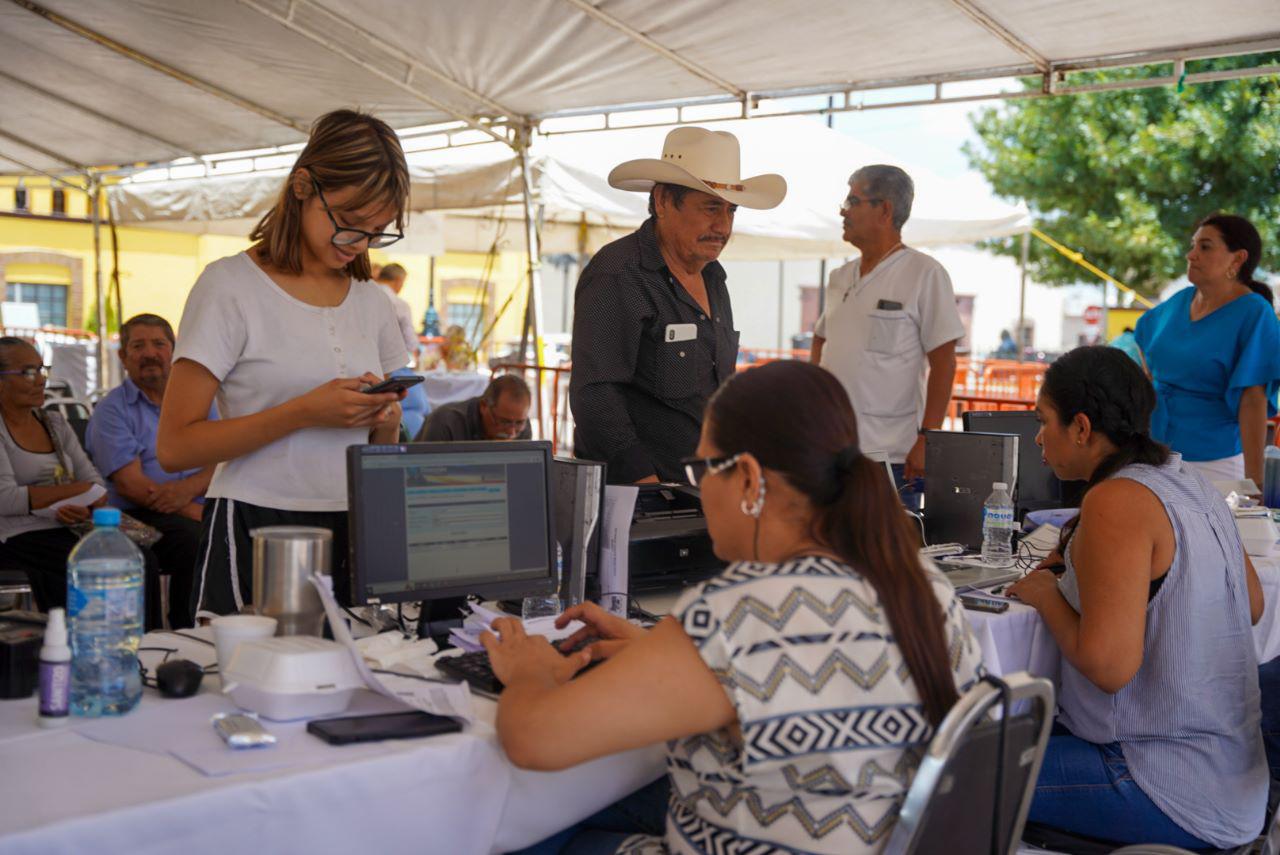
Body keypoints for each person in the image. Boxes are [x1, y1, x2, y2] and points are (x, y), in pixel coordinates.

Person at [484, 360, 983, 854]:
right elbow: (798, 670)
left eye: (702, 468)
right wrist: (657, 648)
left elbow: (532, 741)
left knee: (531, 828)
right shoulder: (924, 585)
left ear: (747, 477)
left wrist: (529, 671)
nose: (697, 488)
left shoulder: (743, 612)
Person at [1007, 345, 1266, 849]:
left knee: (950, 774)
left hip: (1162, 779)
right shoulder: (1188, 480)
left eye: (1043, 421)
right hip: (1233, 778)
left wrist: (1045, 594)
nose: (1038, 437)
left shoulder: (1116, 499)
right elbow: (1251, 606)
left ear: (1081, 427)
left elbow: (1108, 666)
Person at [157, 109, 411, 616]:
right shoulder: (229, 286)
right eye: (348, 223)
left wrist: (386, 421)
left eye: (377, 231)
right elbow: (174, 446)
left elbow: (382, 452)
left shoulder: (372, 301)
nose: (358, 244)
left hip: (355, 526)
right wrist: (302, 412)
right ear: (302, 187)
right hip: (255, 525)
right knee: (246, 685)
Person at [570, 126, 786, 484]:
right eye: (710, 208)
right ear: (663, 202)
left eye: (731, 211)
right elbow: (595, 395)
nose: (723, 226)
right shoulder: (619, 274)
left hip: (704, 489)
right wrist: (647, 485)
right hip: (640, 499)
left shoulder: (714, 279)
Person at [810, 165, 963, 505]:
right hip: (832, 450)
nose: (842, 210)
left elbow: (944, 362)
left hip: (890, 456)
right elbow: (822, 338)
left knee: (882, 555)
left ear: (884, 210)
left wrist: (928, 438)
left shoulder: (924, 274)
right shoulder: (840, 277)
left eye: (852, 200)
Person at [0, 337, 167, 628]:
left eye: (42, 370)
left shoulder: (54, 423)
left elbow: (95, 486)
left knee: (142, 558)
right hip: (14, 535)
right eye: (28, 372)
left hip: (65, 525)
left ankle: (147, 645)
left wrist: (74, 504)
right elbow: (6, 498)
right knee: (92, 565)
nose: (40, 380)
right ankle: (87, 644)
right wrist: (73, 493)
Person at [85, 313, 214, 628]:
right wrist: (194, 510)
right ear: (123, 356)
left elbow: (224, 458)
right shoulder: (111, 410)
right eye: (138, 346)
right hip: (129, 516)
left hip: (197, 505)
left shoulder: (203, 402)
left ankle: (220, 628)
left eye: (158, 344)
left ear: (174, 350)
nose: (149, 353)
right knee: (193, 539)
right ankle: (177, 635)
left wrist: (189, 492)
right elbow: (132, 486)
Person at [1134, 214, 1280, 487]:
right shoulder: (1176, 303)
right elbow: (1143, 342)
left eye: (1205, 247)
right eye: (1192, 246)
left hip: (1214, 463)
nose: (1191, 255)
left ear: (1237, 259)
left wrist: (1255, 481)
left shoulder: (1254, 313)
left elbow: (1252, 402)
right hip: (1154, 453)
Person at [374, 263, 431, 438]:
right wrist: (419, 352)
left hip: (364, 364)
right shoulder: (398, 304)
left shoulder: (363, 295)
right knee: (417, 407)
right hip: (391, 364)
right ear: (399, 281)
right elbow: (410, 339)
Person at [415, 374, 532, 442]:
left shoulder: (523, 427)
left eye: (519, 423)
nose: (511, 432)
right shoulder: (446, 423)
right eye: (504, 422)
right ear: (484, 406)